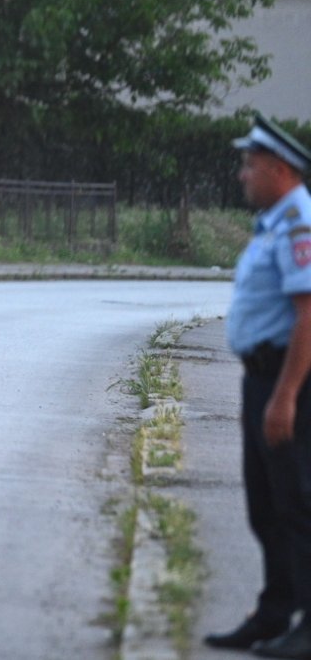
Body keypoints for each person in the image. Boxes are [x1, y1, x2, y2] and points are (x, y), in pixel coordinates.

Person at [204, 114, 311, 657]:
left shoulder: (300, 225)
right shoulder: (274, 222)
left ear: (279, 168)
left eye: (251, 165)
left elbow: (309, 313)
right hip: (262, 380)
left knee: (298, 501)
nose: (243, 175)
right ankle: (275, 613)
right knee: (267, 505)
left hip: (289, 381)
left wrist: (287, 393)